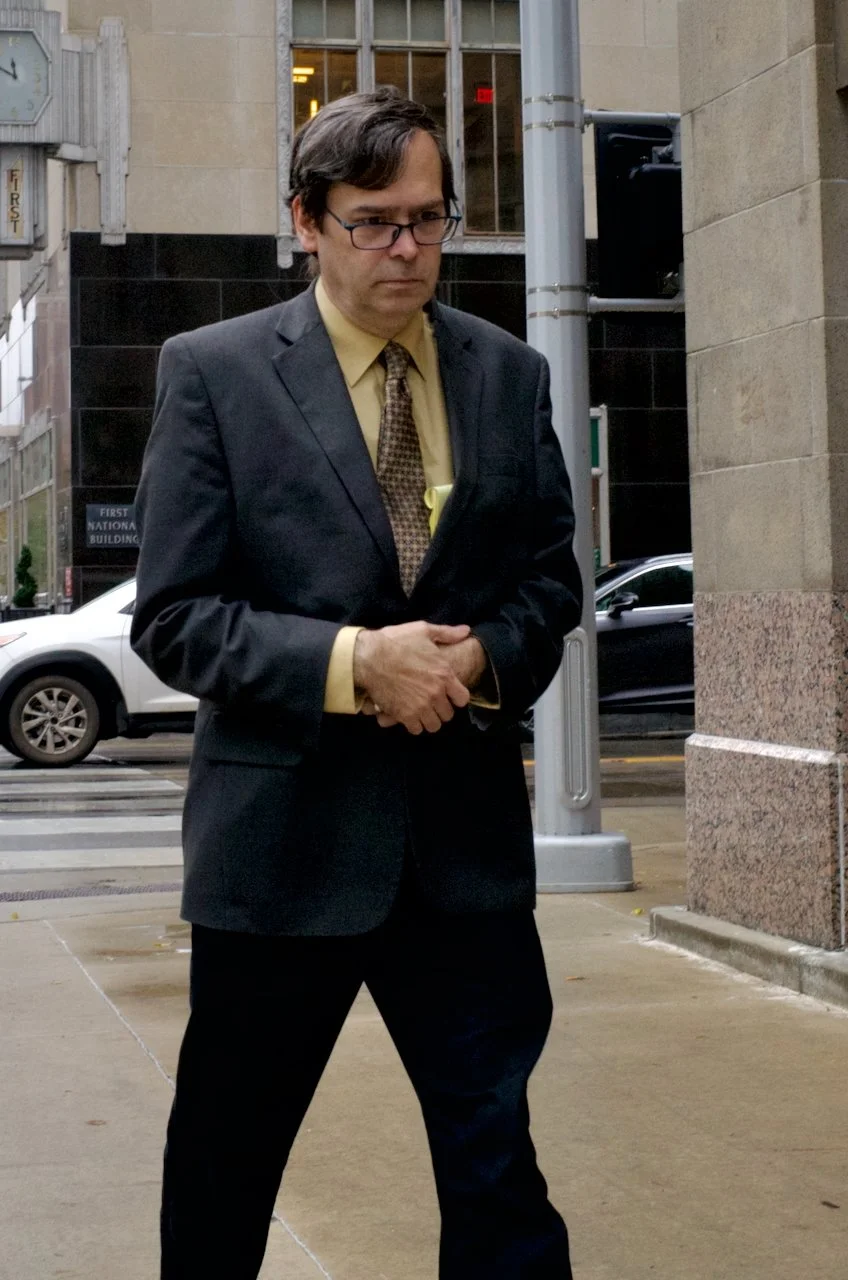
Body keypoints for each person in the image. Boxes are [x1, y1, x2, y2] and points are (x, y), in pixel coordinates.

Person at [132, 87, 583, 1280]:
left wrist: (477, 656)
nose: (407, 248)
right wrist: (354, 666)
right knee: (226, 1167)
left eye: (429, 220)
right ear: (307, 220)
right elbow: (174, 619)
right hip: (282, 851)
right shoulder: (213, 372)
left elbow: (550, 584)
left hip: (463, 857)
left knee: (496, 1167)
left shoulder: (508, 374)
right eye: (376, 221)